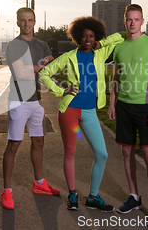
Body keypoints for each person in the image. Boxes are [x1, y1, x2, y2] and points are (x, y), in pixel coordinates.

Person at [39, 16, 125, 212]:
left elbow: (121, 36)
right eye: (84, 36)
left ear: (96, 37)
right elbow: (44, 74)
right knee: (70, 153)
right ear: (78, 37)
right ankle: (72, 194)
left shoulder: (100, 53)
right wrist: (61, 91)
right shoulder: (68, 57)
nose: (88, 39)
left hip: (89, 111)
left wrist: (102, 43)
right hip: (70, 110)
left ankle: (93, 197)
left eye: (92, 36)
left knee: (102, 154)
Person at [107, 4, 148, 228]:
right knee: (126, 152)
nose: (132, 23)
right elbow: (116, 78)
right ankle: (134, 196)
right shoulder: (120, 47)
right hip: (124, 106)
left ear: (142, 21)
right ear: (125, 21)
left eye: (136, 19)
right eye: (129, 19)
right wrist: (112, 103)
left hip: (146, 106)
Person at [1, 7, 59, 210]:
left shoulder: (42, 45)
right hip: (18, 100)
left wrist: (37, 67)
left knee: (39, 141)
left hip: (35, 100)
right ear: (17, 23)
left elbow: (51, 68)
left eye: (30, 20)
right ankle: (7, 191)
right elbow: (20, 73)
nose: (27, 24)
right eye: (23, 20)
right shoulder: (13, 46)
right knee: (14, 145)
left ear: (35, 22)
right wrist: (41, 68)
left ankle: (39, 183)